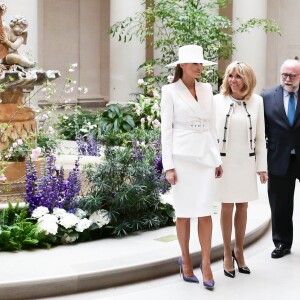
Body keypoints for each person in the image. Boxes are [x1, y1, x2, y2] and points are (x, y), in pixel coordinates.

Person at [161, 45, 223, 289]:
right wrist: (169, 166)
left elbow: (212, 127)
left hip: (205, 156)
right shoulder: (169, 91)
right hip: (182, 158)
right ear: (182, 65)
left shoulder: (207, 89)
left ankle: (206, 264)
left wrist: (217, 159)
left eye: (201, 64)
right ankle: (185, 259)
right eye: (194, 63)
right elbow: (165, 130)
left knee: (205, 211)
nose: (199, 68)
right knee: (185, 212)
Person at [214, 61, 268, 278]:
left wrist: (261, 167)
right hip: (224, 163)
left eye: (238, 76)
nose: (233, 81)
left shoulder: (258, 102)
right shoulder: (216, 101)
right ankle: (227, 252)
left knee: (243, 207)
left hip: (245, 162)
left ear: (247, 79)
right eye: (230, 76)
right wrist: (213, 161)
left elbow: (260, 138)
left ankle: (240, 250)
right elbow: (209, 135)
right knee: (226, 207)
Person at [261, 59, 300, 259]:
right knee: (280, 204)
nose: (287, 79)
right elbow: (261, 132)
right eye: (284, 74)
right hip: (278, 158)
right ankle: (282, 243)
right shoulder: (266, 98)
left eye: (292, 75)